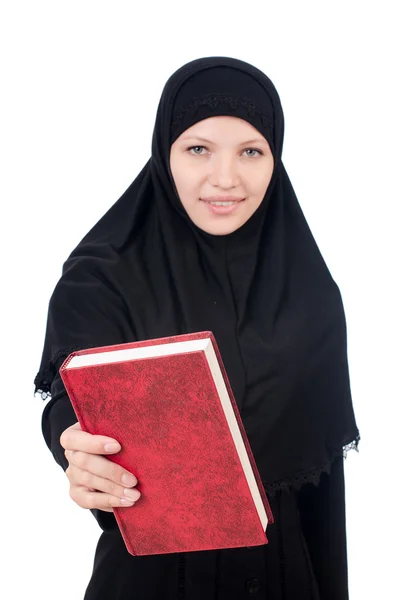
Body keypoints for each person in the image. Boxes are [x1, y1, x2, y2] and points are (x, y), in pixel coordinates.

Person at [35, 56, 359, 600]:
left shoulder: (307, 288)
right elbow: (75, 393)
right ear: (165, 153)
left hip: (284, 579)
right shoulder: (103, 277)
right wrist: (73, 443)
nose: (225, 179)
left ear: (275, 158)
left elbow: (324, 498)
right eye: (198, 149)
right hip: (154, 580)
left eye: (251, 151)